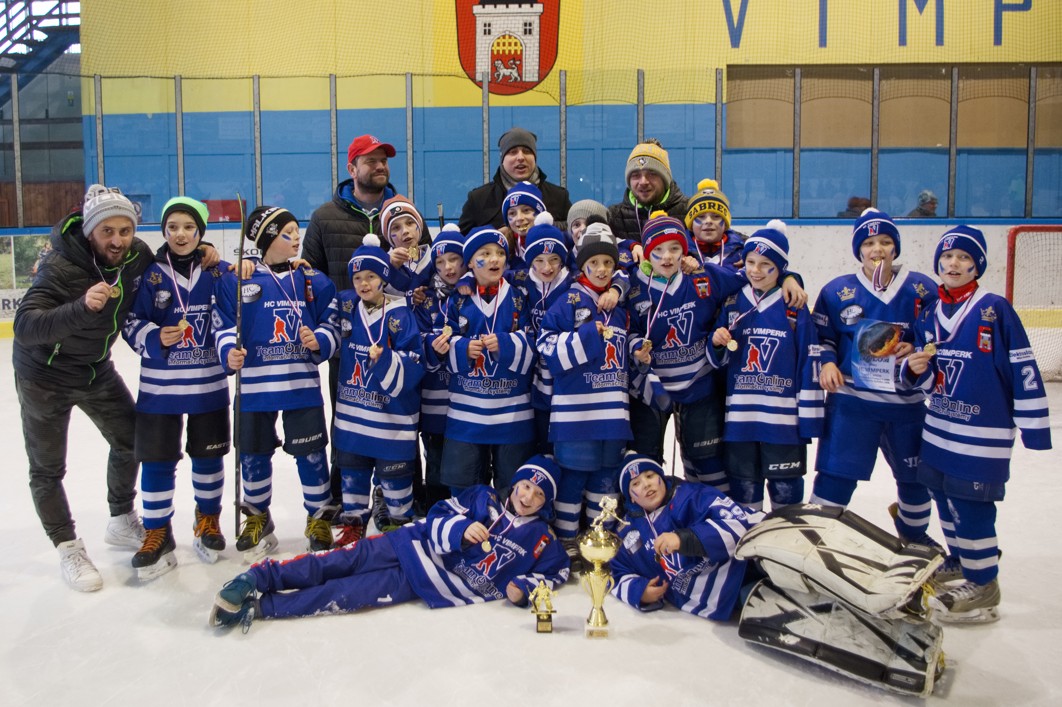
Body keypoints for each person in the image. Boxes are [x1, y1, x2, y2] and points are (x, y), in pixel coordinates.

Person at [609, 454, 947, 698]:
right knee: (808, 615)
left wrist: (685, 539)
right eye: (636, 484)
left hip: (755, 558)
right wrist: (639, 591)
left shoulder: (692, 496)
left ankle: (896, 585)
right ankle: (904, 656)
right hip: (728, 593)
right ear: (630, 496)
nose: (646, 485)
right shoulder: (632, 536)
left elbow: (740, 523)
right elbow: (612, 572)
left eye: (650, 476)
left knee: (820, 571)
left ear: (661, 476)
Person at [209, 456, 569, 629]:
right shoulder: (484, 498)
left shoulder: (542, 539)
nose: (528, 497)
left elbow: (556, 573)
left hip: (424, 581)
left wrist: (524, 589)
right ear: (516, 483)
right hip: (408, 542)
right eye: (526, 486)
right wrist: (460, 529)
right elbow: (440, 512)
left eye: (539, 494)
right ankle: (256, 578)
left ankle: (263, 608)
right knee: (336, 561)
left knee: (345, 593)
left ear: (546, 503)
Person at [902, 226, 1052, 623]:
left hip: (982, 432)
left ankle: (984, 584)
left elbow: (1022, 366)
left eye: (964, 258)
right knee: (942, 493)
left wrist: (1034, 426)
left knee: (971, 505)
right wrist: (915, 369)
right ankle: (960, 559)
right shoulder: (929, 313)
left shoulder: (994, 309)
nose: (954, 263)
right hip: (939, 428)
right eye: (947, 256)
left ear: (977, 266)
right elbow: (930, 378)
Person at [13, 184, 154, 591]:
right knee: (47, 469)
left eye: (125, 231)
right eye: (107, 232)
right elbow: (24, 326)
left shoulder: (136, 257)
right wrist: (80, 307)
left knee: (132, 439)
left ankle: (121, 518)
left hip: (94, 369)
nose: (117, 241)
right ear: (90, 231)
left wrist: (207, 254)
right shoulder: (60, 266)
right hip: (43, 378)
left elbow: (173, 261)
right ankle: (67, 547)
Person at [213, 206, 340, 560]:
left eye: (297, 232)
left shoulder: (312, 280)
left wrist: (320, 340)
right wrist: (228, 351)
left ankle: (318, 518)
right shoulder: (238, 281)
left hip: (301, 386)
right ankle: (257, 517)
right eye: (287, 234)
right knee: (253, 453)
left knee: (311, 453)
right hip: (255, 387)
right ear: (268, 239)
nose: (297, 239)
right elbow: (223, 325)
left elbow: (333, 322)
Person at [808, 209, 940, 547]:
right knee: (836, 476)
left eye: (885, 242)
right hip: (852, 403)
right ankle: (816, 542)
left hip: (906, 404)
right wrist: (827, 363)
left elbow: (937, 338)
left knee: (916, 479)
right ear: (859, 250)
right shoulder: (837, 291)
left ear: (895, 247)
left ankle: (913, 537)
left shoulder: (923, 289)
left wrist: (918, 346)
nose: (877, 249)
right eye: (868, 243)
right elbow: (822, 338)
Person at [121, 196, 231, 577]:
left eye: (188, 227)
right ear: (164, 231)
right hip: (160, 390)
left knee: (209, 457)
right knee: (157, 460)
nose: (180, 234)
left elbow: (254, 286)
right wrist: (155, 337)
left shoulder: (219, 272)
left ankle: (208, 518)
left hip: (207, 386)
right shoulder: (150, 275)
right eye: (172, 228)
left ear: (200, 232)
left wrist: (292, 264)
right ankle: (157, 530)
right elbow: (131, 323)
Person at [302, 134, 399, 509]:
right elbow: (311, 279)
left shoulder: (403, 212)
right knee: (346, 421)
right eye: (370, 160)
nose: (380, 166)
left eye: (383, 160)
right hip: (346, 346)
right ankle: (345, 496)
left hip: (393, 344)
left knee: (394, 419)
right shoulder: (324, 217)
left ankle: (392, 494)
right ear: (352, 168)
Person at [537, 222, 643, 565]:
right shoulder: (568, 300)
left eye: (608, 263)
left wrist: (639, 352)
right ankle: (568, 541)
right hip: (575, 414)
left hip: (613, 413)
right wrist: (585, 336)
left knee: (606, 477)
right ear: (582, 265)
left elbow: (626, 348)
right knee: (572, 476)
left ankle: (600, 540)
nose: (601, 269)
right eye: (594, 263)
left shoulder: (620, 307)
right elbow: (545, 346)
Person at [708, 221, 824, 511]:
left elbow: (809, 361)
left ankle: (785, 540)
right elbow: (716, 359)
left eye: (766, 265)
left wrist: (809, 419)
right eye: (750, 262)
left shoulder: (793, 306)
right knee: (744, 491)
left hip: (784, 422)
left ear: (781, 269)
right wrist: (717, 342)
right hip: (741, 419)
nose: (756, 271)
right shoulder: (733, 302)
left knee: (787, 491)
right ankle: (749, 541)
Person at [332, 234, 424, 545]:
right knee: (352, 473)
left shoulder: (401, 314)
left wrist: (386, 359)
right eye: (358, 277)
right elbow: (313, 301)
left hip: (391, 421)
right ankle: (353, 524)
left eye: (371, 276)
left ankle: (399, 526)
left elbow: (415, 361)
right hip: (353, 418)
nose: (363, 283)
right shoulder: (346, 305)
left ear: (384, 277)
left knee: (395, 479)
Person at [432, 227, 536, 493]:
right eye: (485, 254)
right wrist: (461, 347)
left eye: (500, 253)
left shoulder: (518, 297)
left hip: (512, 411)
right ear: (469, 263)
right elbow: (439, 338)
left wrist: (506, 344)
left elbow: (533, 340)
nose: (494, 259)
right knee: (462, 484)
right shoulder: (456, 300)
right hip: (466, 411)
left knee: (513, 485)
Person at [457, 126, 572, 232]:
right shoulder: (478, 199)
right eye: (513, 152)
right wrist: (494, 236)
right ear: (502, 159)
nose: (520, 157)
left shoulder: (559, 197)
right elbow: (461, 240)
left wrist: (546, 225)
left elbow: (573, 229)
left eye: (527, 151)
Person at [607, 139, 688, 242]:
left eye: (652, 174)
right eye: (636, 175)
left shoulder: (690, 212)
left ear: (665, 179)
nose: (643, 182)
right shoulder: (613, 218)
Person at [684, 179, 746, 271]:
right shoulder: (679, 253)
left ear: (725, 224)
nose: (708, 221)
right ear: (691, 223)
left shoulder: (744, 251)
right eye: (701, 216)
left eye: (716, 216)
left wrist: (752, 261)